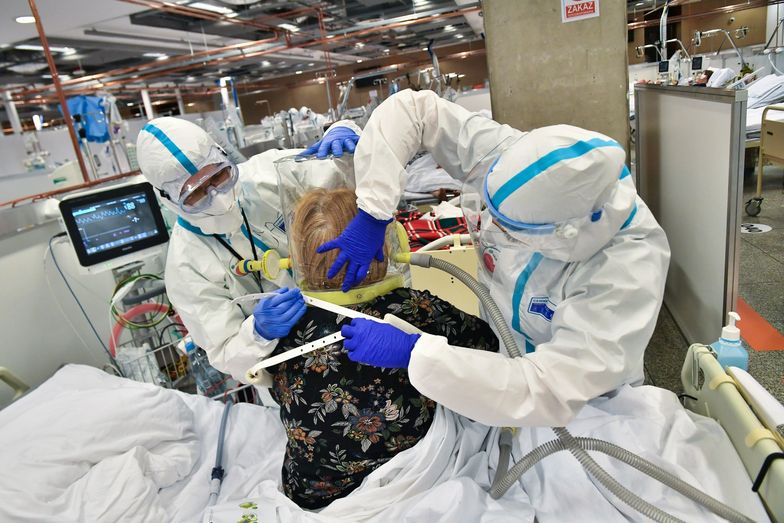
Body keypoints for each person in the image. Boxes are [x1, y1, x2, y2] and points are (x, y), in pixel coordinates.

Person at [319, 89, 671, 428]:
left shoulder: (625, 270)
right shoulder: (515, 158)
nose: (492, 232)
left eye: (511, 232)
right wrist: (373, 209)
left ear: (563, 234)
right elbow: (415, 112)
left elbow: (549, 389)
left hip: (584, 408)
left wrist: (419, 357)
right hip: (493, 358)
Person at [265, 187, 498, 509]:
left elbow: (276, 391)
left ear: (298, 258)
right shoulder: (414, 309)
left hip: (314, 490)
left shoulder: (281, 324)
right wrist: (419, 348)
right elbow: (488, 347)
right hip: (414, 471)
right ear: (384, 246)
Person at [135, 117, 359, 383]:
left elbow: (346, 177)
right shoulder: (186, 267)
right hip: (297, 369)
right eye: (195, 193)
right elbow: (226, 353)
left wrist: (345, 137)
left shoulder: (270, 172)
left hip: (356, 305)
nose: (217, 195)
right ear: (168, 199)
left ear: (222, 156)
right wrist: (257, 333)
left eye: (219, 175)